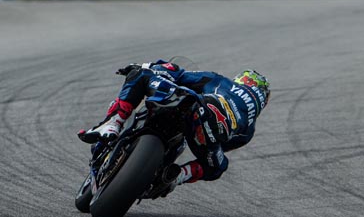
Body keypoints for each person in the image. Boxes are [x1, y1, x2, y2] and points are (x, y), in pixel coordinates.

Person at [78, 60, 269, 192]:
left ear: (242, 80)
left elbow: (179, 74)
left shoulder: (221, 81)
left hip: (196, 107)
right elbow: (221, 147)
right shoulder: (248, 131)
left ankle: (114, 122)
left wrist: (145, 66)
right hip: (204, 134)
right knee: (218, 167)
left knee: (142, 75)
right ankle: (178, 177)